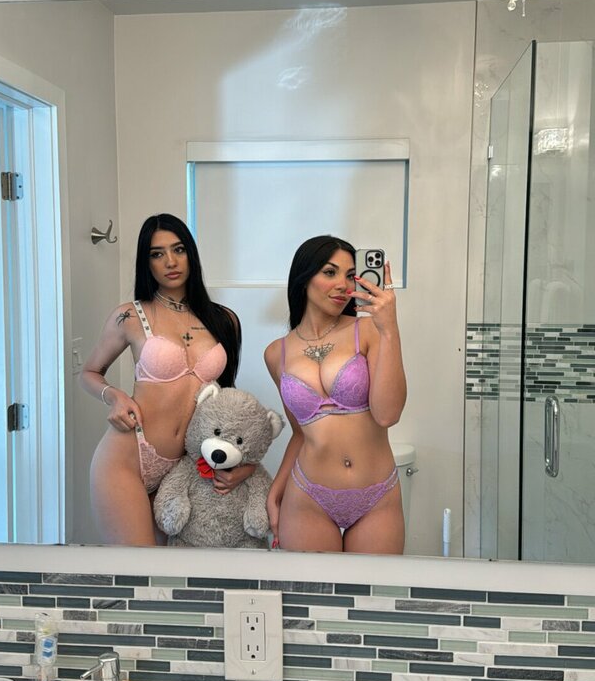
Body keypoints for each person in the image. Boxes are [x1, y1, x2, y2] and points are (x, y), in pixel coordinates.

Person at [81, 213, 252, 546]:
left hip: (185, 467)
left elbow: (226, 403)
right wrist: (114, 396)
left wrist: (241, 464)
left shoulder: (224, 320)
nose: (170, 262)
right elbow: (89, 373)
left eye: (178, 250)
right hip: (127, 456)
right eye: (157, 254)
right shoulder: (130, 316)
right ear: (146, 263)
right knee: (137, 567)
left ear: (191, 254)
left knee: (174, 566)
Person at [264, 235, 406, 554]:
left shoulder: (368, 330)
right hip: (307, 496)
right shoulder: (276, 353)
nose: (343, 284)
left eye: (350, 275)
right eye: (330, 272)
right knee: (310, 588)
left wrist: (389, 328)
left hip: (376, 495)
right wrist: (276, 489)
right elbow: (300, 434)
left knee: (373, 587)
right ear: (304, 278)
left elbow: (388, 414)